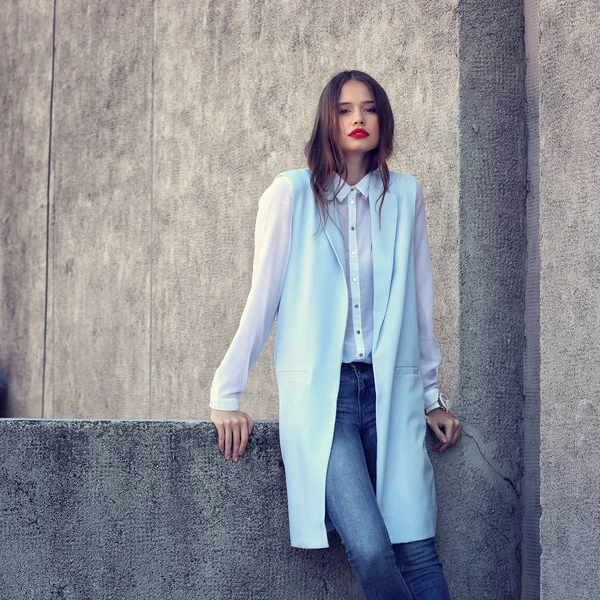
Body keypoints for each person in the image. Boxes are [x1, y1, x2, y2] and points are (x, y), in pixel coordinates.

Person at [209, 69, 462, 600]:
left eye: (369, 109)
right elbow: (263, 299)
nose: (357, 120)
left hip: (391, 392)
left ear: (382, 120)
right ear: (327, 120)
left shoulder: (406, 196)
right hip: (328, 401)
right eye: (345, 110)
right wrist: (225, 394)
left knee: (415, 546)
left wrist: (432, 397)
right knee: (369, 546)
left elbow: (420, 303)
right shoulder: (291, 194)